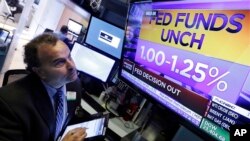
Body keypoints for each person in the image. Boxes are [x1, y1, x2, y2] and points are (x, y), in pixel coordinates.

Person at [0, 33, 87, 141]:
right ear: (40, 71)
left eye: (69, 56)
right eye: (60, 62)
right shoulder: (9, 104)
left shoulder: (74, 84)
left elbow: (71, 113)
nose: (72, 66)